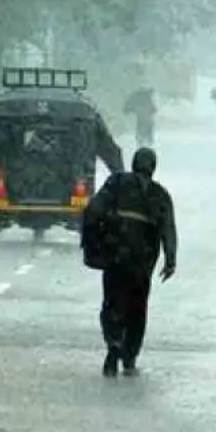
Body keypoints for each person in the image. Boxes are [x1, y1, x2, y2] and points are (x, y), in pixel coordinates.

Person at [82, 147, 177, 377]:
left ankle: (113, 344)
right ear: (153, 167)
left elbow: (94, 210)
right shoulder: (160, 194)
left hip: (115, 258)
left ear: (134, 164)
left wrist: (91, 241)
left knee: (112, 302)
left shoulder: (117, 183)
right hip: (142, 264)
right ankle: (130, 356)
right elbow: (168, 230)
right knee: (137, 308)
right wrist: (170, 260)